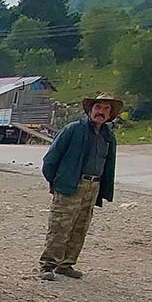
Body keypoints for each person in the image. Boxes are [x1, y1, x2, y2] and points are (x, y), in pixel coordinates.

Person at [38, 92, 121, 280]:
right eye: (98, 107)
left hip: (93, 186)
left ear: (110, 114)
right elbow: (50, 160)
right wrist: (57, 183)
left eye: (106, 109)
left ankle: (66, 265)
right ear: (90, 110)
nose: (101, 112)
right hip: (70, 185)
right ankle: (47, 266)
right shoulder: (73, 130)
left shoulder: (108, 136)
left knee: (80, 227)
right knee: (60, 226)